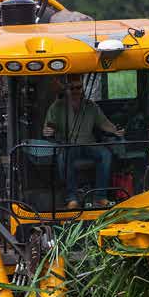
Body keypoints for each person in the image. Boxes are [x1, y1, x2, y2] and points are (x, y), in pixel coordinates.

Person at [43, 75, 124, 209]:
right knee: (63, 157)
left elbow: (104, 123)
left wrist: (116, 131)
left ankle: (100, 197)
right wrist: (48, 132)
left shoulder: (91, 106)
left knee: (105, 154)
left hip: (89, 144)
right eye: (72, 88)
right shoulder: (57, 107)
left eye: (78, 88)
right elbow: (48, 128)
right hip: (68, 145)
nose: (76, 91)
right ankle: (72, 198)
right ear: (66, 89)